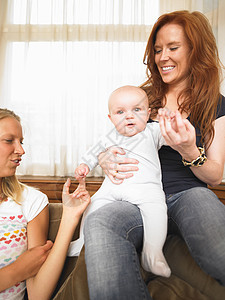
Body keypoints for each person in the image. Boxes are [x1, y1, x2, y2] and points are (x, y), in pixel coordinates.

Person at [83, 10, 225, 300]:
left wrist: (188, 150)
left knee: (217, 246)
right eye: (158, 49)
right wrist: (105, 158)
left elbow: (215, 175)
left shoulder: (215, 104)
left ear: (195, 50)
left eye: (173, 48)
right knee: (101, 221)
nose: (163, 57)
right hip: (134, 197)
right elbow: (109, 140)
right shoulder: (140, 97)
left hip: (187, 194)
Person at [68, 85, 171, 277]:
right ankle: (81, 241)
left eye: (137, 110)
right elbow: (93, 154)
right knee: (93, 206)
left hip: (145, 189)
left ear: (148, 114)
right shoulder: (109, 137)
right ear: (111, 118)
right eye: (120, 112)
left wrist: (171, 122)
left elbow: (173, 137)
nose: (129, 116)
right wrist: (84, 166)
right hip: (111, 188)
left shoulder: (152, 131)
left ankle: (152, 253)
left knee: (157, 210)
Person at [0, 108, 90, 300]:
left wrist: (69, 217)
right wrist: (15, 272)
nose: (21, 150)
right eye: (9, 140)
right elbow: (18, 272)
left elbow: (38, 295)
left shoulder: (31, 201)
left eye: (21, 142)